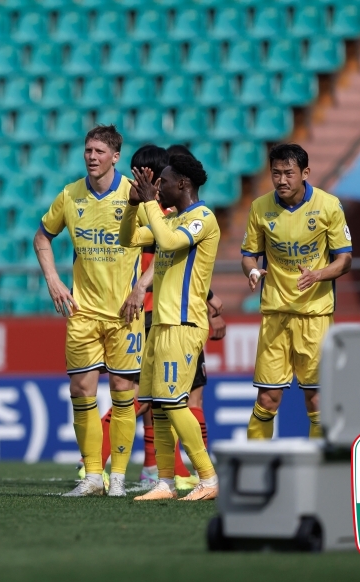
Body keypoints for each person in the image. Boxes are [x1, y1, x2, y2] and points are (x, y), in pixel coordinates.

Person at [33, 125, 143, 498]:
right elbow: (42, 236)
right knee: (81, 391)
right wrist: (53, 279)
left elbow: (164, 246)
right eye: (87, 150)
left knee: (123, 391)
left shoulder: (135, 195)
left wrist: (141, 289)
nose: (91, 156)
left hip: (124, 315)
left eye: (99, 151)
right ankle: (93, 475)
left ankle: (119, 478)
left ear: (115, 156)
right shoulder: (70, 195)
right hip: (82, 312)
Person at [121, 153, 220, 501]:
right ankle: (164, 481)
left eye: (163, 181)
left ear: (184, 184)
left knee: (175, 403)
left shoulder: (202, 219)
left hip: (184, 323)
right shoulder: (173, 219)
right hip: (160, 324)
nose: (158, 186)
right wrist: (135, 206)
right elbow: (128, 239)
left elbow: (169, 242)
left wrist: (149, 202)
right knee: (158, 406)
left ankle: (207, 478)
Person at [242, 144, 352, 440]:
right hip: (275, 315)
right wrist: (252, 270)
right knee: (266, 399)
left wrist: (319, 274)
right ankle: (256, 474)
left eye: (288, 173)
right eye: (275, 173)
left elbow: (344, 260)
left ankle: (318, 475)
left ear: (305, 173)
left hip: (314, 316)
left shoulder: (329, 206)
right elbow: (249, 255)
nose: (281, 180)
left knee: (316, 400)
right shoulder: (260, 207)